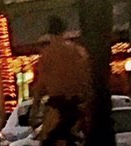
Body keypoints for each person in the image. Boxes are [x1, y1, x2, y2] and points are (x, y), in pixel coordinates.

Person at [32, 16, 90, 146]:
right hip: (76, 106)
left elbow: (40, 84)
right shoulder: (78, 52)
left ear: (49, 33)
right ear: (63, 31)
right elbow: (86, 79)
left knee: (50, 140)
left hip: (57, 106)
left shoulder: (47, 55)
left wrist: (34, 110)